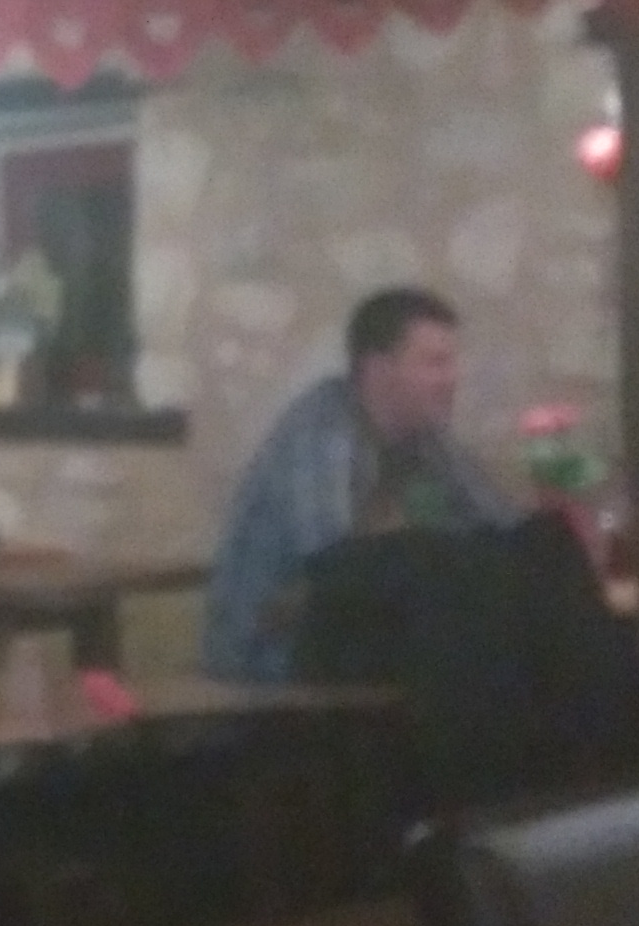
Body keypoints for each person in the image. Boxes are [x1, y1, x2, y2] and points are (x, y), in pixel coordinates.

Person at [201, 286, 509, 683]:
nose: (452, 379)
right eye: (435, 364)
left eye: (452, 363)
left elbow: (498, 529)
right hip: (267, 653)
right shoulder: (323, 430)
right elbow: (335, 568)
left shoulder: (426, 438)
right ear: (379, 370)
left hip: (359, 634)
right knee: (468, 663)